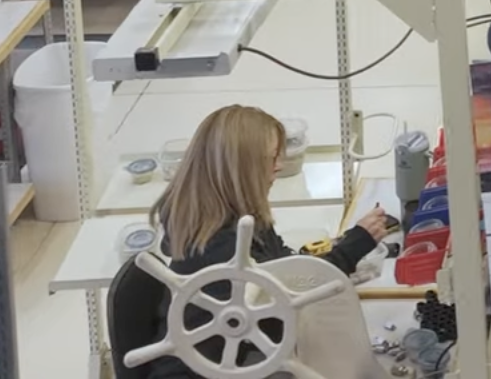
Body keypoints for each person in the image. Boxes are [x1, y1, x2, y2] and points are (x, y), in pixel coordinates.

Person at [108, 105, 393, 379]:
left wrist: (343, 249)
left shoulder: (230, 219)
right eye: (271, 158)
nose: (279, 167)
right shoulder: (222, 247)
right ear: (241, 168)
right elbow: (292, 291)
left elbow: (290, 270)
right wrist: (354, 245)